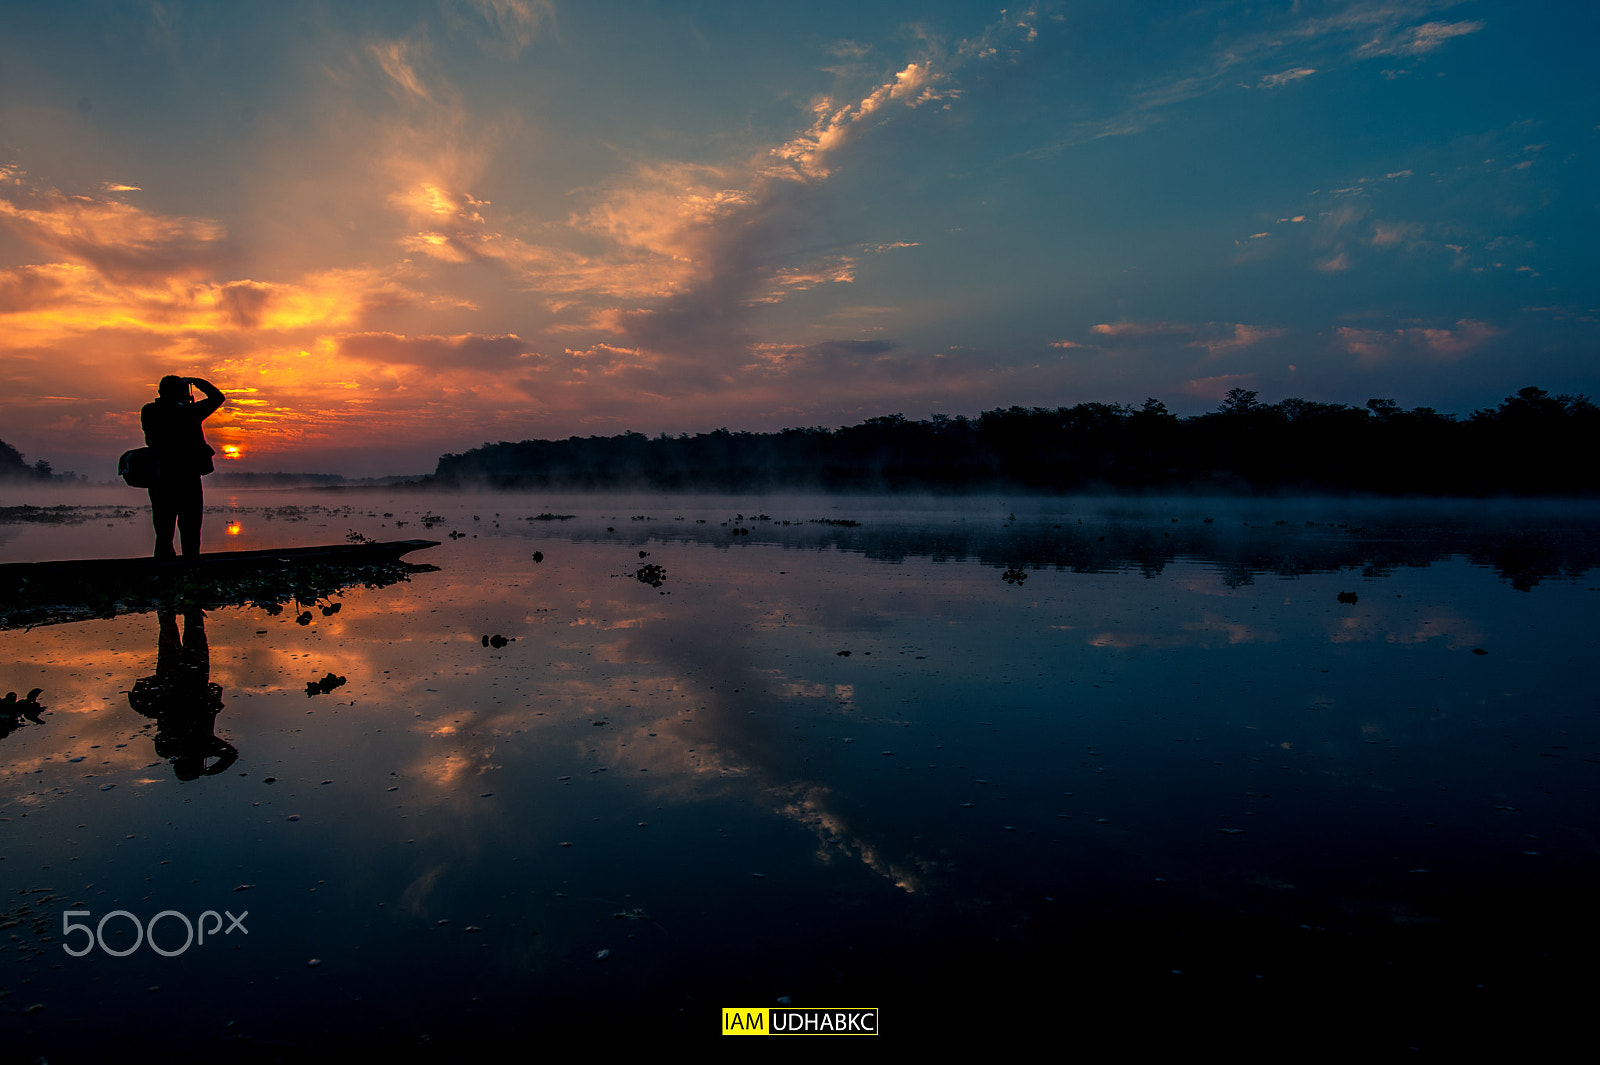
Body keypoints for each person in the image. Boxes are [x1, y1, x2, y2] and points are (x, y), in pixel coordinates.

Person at [141, 375, 225, 560]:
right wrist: (198, 382)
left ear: (160, 392)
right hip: (187, 479)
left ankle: (165, 573)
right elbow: (218, 398)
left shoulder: (149, 410)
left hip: (161, 479)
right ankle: (190, 570)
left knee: (163, 534)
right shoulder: (190, 413)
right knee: (191, 533)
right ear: (180, 393)